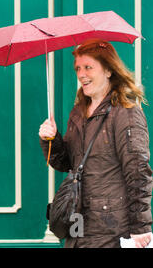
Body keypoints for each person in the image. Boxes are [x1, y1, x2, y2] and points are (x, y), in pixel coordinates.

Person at [39, 38, 153, 248]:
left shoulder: (125, 112)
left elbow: (137, 171)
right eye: (78, 68)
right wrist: (51, 140)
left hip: (111, 230)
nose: (81, 74)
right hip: (78, 225)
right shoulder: (78, 112)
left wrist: (141, 227)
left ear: (108, 70)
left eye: (88, 67)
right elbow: (66, 163)